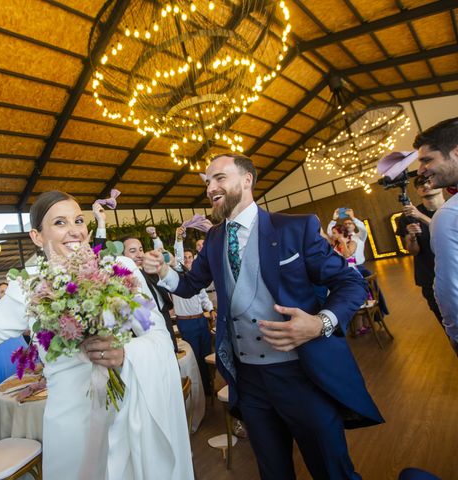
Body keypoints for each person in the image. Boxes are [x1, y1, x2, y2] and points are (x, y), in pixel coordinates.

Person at [0, 191, 193, 480]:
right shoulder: (26, 289)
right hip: (73, 429)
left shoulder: (120, 267)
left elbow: (159, 337)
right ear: (36, 236)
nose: (75, 230)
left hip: (129, 415)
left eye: (78, 220)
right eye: (60, 222)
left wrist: (128, 354)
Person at [144, 154, 383, 479]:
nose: (210, 187)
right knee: (273, 472)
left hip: (302, 373)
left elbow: (349, 283)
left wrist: (320, 323)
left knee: (332, 470)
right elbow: (188, 285)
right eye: (207, 182)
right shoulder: (214, 239)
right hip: (250, 380)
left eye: (219, 178)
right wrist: (162, 271)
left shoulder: (296, 227)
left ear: (247, 180)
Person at [93, 202, 179, 352]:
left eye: (140, 249)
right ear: (121, 255)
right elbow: (98, 255)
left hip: (165, 324)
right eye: (133, 251)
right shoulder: (120, 280)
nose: (139, 254)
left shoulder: (151, 270)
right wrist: (101, 222)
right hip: (140, 334)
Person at [415, 117, 458, 356]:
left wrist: (454, 333)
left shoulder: (449, 215)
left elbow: (450, 290)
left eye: (427, 160)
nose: (421, 170)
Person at [395, 175, 445, 326]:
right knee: (448, 325)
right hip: (430, 278)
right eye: (420, 184)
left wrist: (421, 216)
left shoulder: (452, 208)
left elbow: (450, 231)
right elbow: (413, 251)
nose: (425, 185)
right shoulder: (407, 218)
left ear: (440, 185)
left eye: (429, 181)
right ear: (417, 191)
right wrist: (412, 237)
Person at [171, 249, 215, 396]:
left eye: (190, 257)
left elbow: (203, 298)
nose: (188, 259)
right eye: (185, 257)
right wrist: (178, 237)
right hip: (186, 323)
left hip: (201, 320)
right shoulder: (177, 278)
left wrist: (211, 309)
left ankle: (209, 388)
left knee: (206, 355)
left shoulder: (197, 278)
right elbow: (177, 254)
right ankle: (200, 393)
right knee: (195, 359)